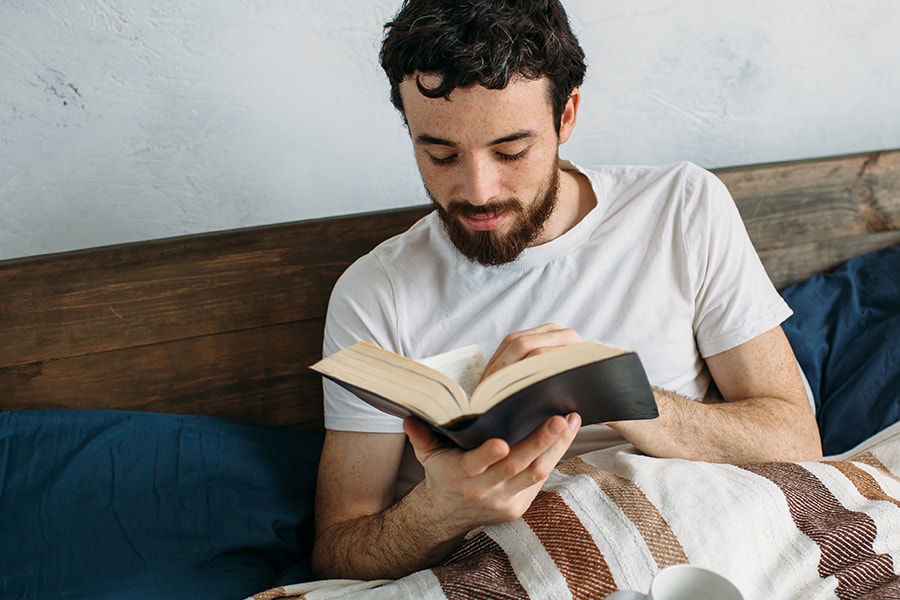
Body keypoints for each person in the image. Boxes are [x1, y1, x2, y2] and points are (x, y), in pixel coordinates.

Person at [311, 0, 822, 581]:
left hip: (694, 554)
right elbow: (335, 550)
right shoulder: (375, 292)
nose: (478, 190)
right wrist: (440, 511)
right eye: (441, 154)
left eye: (511, 151)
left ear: (567, 115)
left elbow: (796, 438)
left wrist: (615, 391)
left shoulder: (682, 208)